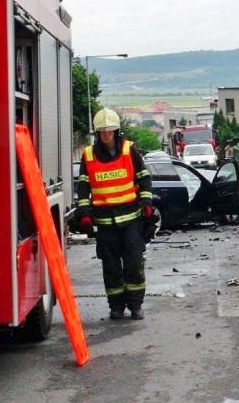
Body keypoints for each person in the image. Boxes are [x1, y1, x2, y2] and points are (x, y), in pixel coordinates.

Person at [77, 109, 154, 320]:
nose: (106, 135)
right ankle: (116, 307)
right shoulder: (89, 155)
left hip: (131, 220)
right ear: (97, 133)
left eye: (110, 131)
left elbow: (144, 178)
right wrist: (84, 213)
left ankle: (136, 305)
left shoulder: (130, 150)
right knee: (110, 268)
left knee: (134, 264)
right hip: (105, 223)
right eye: (102, 132)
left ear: (116, 131)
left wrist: (146, 202)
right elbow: (83, 187)